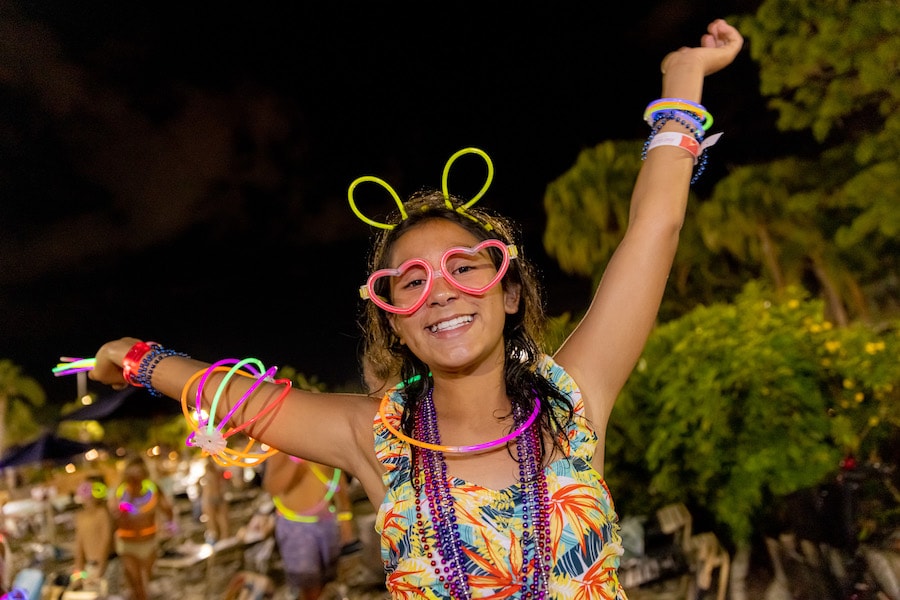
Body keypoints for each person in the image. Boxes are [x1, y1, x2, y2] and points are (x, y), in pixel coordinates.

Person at [87, 19, 743, 599]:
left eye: (465, 267)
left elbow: (654, 229)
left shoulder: (575, 399)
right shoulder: (377, 437)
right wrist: (138, 358)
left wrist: (683, 75)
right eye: (411, 282)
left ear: (509, 292)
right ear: (395, 321)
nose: (442, 290)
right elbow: (244, 400)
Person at [261, 452, 356, 600]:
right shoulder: (281, 449)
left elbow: (337, 479)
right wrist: (295, 461)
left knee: (329, 580)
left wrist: (345, 518)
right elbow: (272, 487)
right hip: (296, 528)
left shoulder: (323, 444)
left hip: (327, 523)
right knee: (309, 586)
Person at [110, 455, 175, 600]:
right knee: (135, 582)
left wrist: (169, 525)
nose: (136, 477)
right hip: (127, 543)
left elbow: (167, 509)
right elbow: (115, 515)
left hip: (148, 541)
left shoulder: (153, 490)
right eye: (132, 473)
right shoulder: (121, 492)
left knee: (145, 581)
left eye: (139, 472)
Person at [69, 474, 113, 596]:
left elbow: (106, 540)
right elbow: (79, 548)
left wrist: (100, 570)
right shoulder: (80, 517)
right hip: (91, 566)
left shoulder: (103, 513)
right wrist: (77, 576)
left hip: (107, 565)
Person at [199, 455, 231, 544]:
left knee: (216, 524)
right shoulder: (216, 471)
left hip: (211, 498)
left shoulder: (211, 472)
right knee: (220, 523)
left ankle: (220, 542)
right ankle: (221, 542)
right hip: (216, 497)